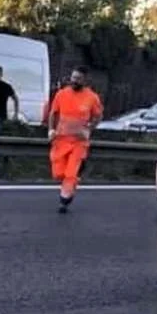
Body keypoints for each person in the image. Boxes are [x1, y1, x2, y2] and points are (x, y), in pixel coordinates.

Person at [47, 65, 103, 213]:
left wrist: (90, 128)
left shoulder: (92, 97)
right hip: (61, 139)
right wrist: (51, 130)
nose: (74, 81)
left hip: (79, 142)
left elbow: (98, 116)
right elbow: (53, 113)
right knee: (58, 173)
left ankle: (64, 199)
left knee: (71, 173)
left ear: (85, 80)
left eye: (78, 79)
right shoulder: (61, 94)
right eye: (73, 78)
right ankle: (71, 184)